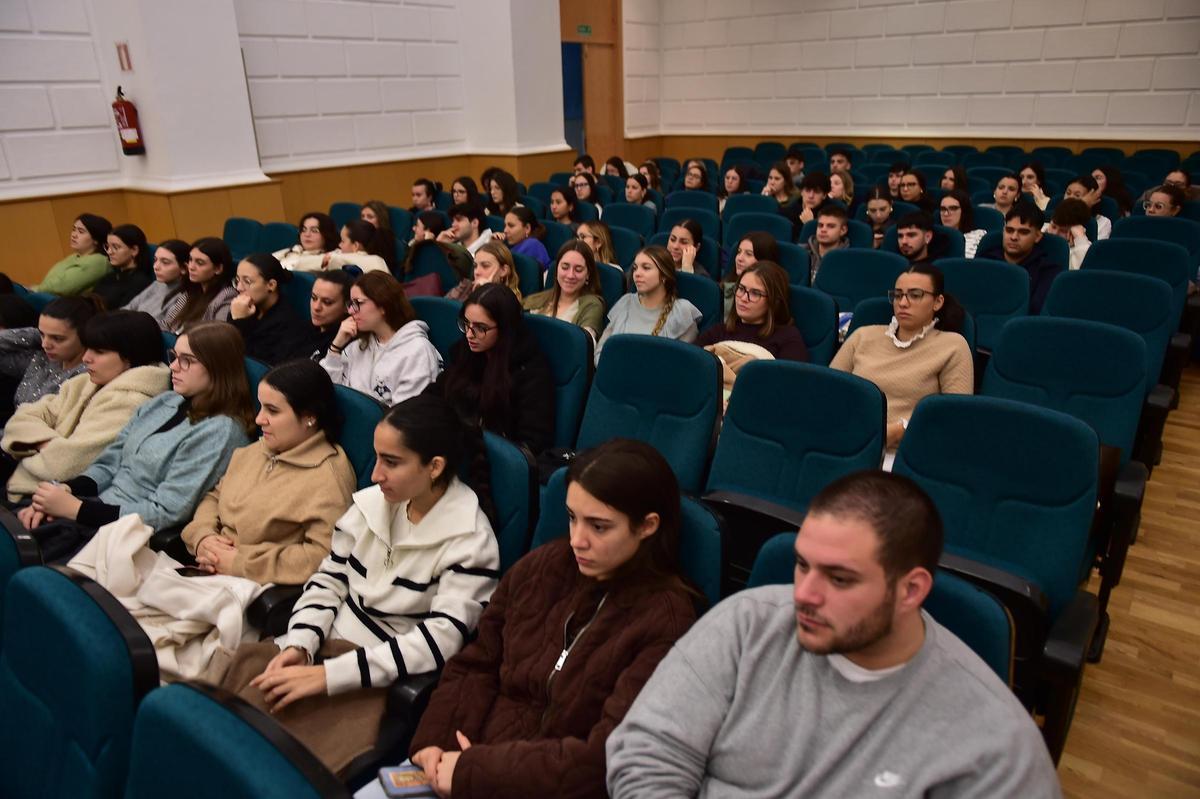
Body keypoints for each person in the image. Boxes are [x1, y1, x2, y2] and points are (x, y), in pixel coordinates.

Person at [606, 470, 1060, 798]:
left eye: (839, 579)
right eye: (802, 564)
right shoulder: (746, 623)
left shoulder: (995, 745)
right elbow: (647, 753)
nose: (804, 594)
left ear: (911, 590)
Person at [221, 393, 499, 776]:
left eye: (391, 462)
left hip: (374, 675)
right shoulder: (375, 502)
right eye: (377, 457)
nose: (375, 474)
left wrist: (328, 676)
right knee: (222, 732)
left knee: (272, 769)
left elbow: (439, 641)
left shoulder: (470, 541)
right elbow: (329, 580)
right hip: (318, 650)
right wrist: (301, 643)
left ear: (434, 466)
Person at [410, 438, 698, 799]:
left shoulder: (666, 622)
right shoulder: (543, 566)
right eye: (572, 518)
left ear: (647, 526)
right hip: (464, 763)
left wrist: (477, 772)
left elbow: (602, 757)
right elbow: (478, 663)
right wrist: (437, 742)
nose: (577, 540)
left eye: (599, 527)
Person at [19, 322, 255, 562]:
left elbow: (166, 511)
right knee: (17, 527)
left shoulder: (221, 431)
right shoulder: (165, 402)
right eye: (174, 356)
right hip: (96, 511)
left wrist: (76, 510)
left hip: (126, 535)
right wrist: (65, 492)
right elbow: (110, 462)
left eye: (187, 360)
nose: (173, 366)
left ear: (217, 368)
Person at [183, 359, 355, 583]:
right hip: (208, 569)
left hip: (255, 589)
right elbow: (215, 497)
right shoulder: (259, 448)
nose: (259, 419)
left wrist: (240, 563)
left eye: (272, 411)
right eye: (261, 406)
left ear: (310, 417)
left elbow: (322, 556)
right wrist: (204, 538)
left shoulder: (328, 477)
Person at [2, 311, 168, 502]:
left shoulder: (131, 402)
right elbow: (23, 416)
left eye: (99, 352)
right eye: (88, 348)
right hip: (34, 486)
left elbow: (64, 465)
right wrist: (47, 444)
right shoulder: (83, 382)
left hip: (58, 498)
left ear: (131, 355)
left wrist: (34, 442)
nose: (86, 358)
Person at [831, 264, 973, 464]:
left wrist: (901, 430)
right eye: (898, 295)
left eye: (915, 295)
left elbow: (954, 419)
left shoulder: (953, 345)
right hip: (846, 441)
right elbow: (829, 392)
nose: (903, 303)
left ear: (938, 302)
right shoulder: (863, 335)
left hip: (906, 454)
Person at [432, 283, 554, 455]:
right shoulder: (467, 352)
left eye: (480, 328)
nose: (469, 334)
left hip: (496, 461)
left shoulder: (530, 371)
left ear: (504, 329)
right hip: (457, 447)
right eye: (466, 324)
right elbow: (435, 395)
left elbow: (532, 442)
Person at [320, 272, 441, 406]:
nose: (351, 311)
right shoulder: (359, 346)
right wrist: (336, 347)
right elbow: (327, 392)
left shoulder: (417, 352)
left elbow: (406, 417)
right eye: (350, 303)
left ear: (383, 305)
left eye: (358, 303)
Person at [596, 246, 702, 363]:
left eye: (646, 268)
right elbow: (600, 352)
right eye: (635, 268)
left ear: (664, 275)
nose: (637, 274)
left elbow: (680, 364)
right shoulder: (625, 302)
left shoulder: (682, 312)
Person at [0, 295, 99, 410]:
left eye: (57, 338)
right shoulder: (41, 359)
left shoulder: (89, 375)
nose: (45, 345)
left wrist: (42, 335)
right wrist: (36, 335)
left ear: (85, 335)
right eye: (42, 334)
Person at [696, 262, 808, 361]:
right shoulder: (718, 331)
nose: (744, 298)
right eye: (741, 288)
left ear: (774, 301)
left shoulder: (788, 337)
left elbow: (790, 382)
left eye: (755, 293)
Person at [977, 204, 1062, 314]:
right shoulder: (985, 260)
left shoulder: (1048, 271)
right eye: (1009, 230)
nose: (1014, 237)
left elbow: (1036, 311)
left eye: (1023, 232)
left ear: (1037, 237)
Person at [229, 253, 312, 365]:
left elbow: (254, 365)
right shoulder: (242, 308)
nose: (239, 288)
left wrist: (240, 323)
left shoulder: (288, 324)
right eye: (237, 280)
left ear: (271, 285)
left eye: (247, 282)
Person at [523, 240, 606, 341]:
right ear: (557, 269)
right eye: (565, 267)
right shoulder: (537, 299)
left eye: (578, 269)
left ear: (588, 274)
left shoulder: (592, 305)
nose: (570, 275)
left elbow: (585, 346)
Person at [161, 237, 238, 332]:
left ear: (218, 269)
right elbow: (167, 323)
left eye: (200, 263)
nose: (191, 267)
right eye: (190, 260)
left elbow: (216, 337)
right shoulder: (192, 290)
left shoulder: (227, 296)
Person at [35, 214, 112, 295]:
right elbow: (48, 283)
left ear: (96, 239)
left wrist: (34, 290)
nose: (74, 235)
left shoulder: (99, 261)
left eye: (81, 232)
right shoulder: (73, 256)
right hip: (48, 299)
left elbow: (61, 288)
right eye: (74, 229)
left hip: (67, 304)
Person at [92, 224, 153, 309]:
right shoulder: (108, 277)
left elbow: (123, 316)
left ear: (134, 250)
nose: (109, 252)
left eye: (115, 247)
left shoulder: (140, 282)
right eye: (107, 247)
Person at [125, 239, 189, 321]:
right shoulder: (157, 284)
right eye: (155, 260)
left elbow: (165, 327)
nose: (155, 266)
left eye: (165, 262)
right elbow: (130, 307)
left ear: (184, 268)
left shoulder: (185, 297)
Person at [445, 240, 522, 302]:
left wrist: (488, 291)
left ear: (503, 270)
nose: (477, 272)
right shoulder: (465, 286)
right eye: (475, 266)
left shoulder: (510, 300)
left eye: (485, 266)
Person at [723, 232, 780, 316]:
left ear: (764, 260)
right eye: (739, 252)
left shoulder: (772, 294)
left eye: (748, 254)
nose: (739, 258)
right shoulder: (725, 288)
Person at [305, 269, 352, 360]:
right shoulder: (303, 330)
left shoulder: (347, 345)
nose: (316, 307)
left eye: (327, 302)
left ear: (347, 307)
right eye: (314, 298)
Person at [273, 212, 340, 272]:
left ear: (327, 234)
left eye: (314, 231)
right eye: (303, 230)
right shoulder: (294, 249)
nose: (307, 234)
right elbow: (265, 262)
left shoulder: (333, 255)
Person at [322, 219, 393, 274]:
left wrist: (331, 257)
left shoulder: (339, 260)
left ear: (356, 246)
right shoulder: (378, 259)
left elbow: (333, 259)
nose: (339, 245)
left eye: (343, 241)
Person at [803, 203, 850, 284]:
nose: (823, 230)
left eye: (830, 226)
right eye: (820, 225)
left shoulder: (849, 259)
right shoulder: (802, 252)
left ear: (843, 230)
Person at [1043, 198, 1092, 270]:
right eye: (1053, 227)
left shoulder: (1084, 248)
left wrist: (1080, 239)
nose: (1054, 233)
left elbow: (1074, 274)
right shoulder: (1039, 232)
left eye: (1063, 231)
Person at [939, 189, 987, 258]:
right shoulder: (934, 236)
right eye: (943, 209)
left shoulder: (979, 235)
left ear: (964, 211)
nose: (946, 214)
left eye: (953, 208)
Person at [500, 206, 550, 271]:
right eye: (505, 225)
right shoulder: (515, 244)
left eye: (511, 226)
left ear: (527, 228)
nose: (505, 230)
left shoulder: (532, 244)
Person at [1064, 175, 1112, 239]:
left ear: (1093, 198)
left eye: (1077, 195)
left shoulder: (1103, 222)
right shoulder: (1055, 216)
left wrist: (1082, 206)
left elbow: (1094, 248)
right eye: (1068, 193)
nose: (1070, 198)